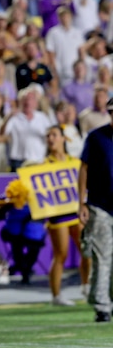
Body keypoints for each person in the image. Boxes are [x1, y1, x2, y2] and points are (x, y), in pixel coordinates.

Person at [78, 97, 113, 323]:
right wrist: (81, 201)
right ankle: (102, 305)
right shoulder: (96, 137)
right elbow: (84, 168)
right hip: (100, 204)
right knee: (102, 256)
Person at [44, 125, 84, 306]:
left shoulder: (75, 162)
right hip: (58, 212)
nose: (51, 138)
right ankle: (56, 295)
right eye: (48, 136)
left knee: (86, 250)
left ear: (63, 139)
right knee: (61, 253)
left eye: (54, 135)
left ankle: (86, 285)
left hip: (75, 209)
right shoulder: (43, 165)